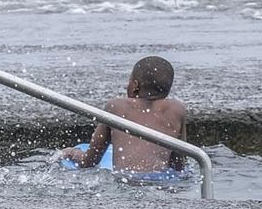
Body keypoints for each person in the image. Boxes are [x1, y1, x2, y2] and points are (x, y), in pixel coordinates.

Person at [60, 56, 189, 176]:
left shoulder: (116, 106)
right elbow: (179, 165)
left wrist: (73, 153)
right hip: (160, 181)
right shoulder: (177, 110)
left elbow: (90, 161)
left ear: (135, 86)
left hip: (127, 181)